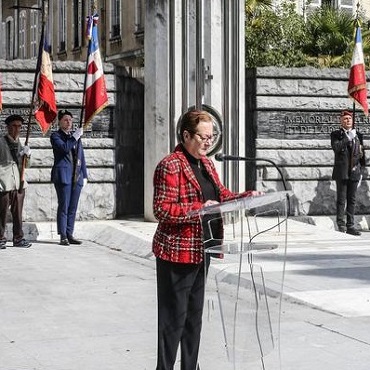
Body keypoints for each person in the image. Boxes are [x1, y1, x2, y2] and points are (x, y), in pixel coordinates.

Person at [152, 109, 262, 370]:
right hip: (176, 254)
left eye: (211, 137)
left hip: (203, 251)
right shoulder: (171, 165)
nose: (208, 142)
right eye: (203, 137)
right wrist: (198, 209)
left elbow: (220, 196)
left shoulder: (207, 164)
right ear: (186, 134)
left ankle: (190, 366)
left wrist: (247, 196)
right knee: (173, 321)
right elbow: (162, 209)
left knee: (194, 319)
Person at [50, 110, 87, 246]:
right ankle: (63, 235)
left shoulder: (75, 137)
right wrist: (74, 137)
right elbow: (65, 148)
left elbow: (81, 157)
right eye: (65, 120)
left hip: (76, 176)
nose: (69, 122)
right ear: (59, 121)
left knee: (73, 207)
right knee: (64, 206)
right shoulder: (55, 136)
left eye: (70, 120)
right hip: (63, 176)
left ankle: (70, 233)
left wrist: (85, 174)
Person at [331, 110, 365, 236]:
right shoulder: (336, 134)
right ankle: (341, 225)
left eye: (349, 119)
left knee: (352, 200)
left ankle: (350, 225)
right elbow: (336, 148)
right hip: (342, 172)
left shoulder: (358, 135)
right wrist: (348, 137)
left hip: (355, 172)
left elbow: (362, 155)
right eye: (345, 119)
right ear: (341, 121)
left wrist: (361, 171)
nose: (347, 121)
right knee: (341, 199)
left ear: (352, 121)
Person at [0, 114, 32, 249]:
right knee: (1, 213)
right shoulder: (1, 142)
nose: (17, 129)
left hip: (19, 183)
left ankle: (18, 238)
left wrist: (27, 155)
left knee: (18, 213)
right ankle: (0, 238)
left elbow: (27, 165)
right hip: (3, 183)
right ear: (7, 127)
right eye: (14, 126)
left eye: (19, 126)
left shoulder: (21, 143)